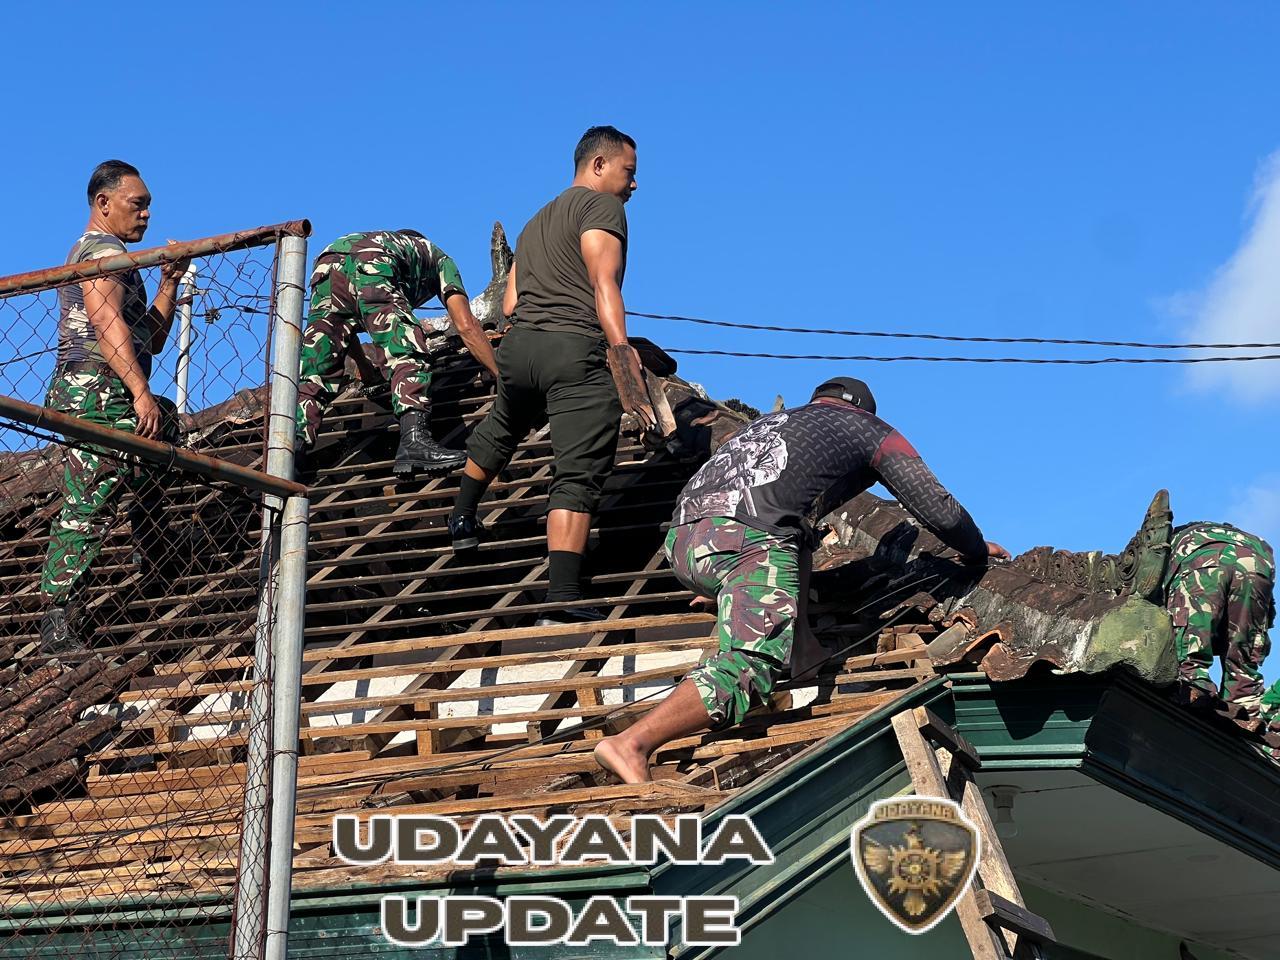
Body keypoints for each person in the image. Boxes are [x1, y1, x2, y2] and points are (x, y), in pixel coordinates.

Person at [593, 376, 1009, 783]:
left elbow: (793, 535)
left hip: (684, 543)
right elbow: (936, 506)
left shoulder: (769, 427)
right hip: (746, 539)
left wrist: (733, 590)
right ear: (862, 409)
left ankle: (801, 650)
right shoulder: (869, 429)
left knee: (799, 535)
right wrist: (974, 548)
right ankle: (634, 743)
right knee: (751, 663)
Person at [448, 126, 656, 625]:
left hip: (520, 349)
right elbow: (604, 283)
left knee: (503, 424)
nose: (634, 185)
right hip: (572, 348)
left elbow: (511, 302)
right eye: (629, 172)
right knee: (578, 469)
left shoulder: (534, 222)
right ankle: (561, 598)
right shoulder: (603, 209)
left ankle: (461, 515)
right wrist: (622, 355)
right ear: (599, 165)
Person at [39, 160, 189, 653]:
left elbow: (151, 337)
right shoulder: (101, 251)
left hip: (110, 387)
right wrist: (139, 391)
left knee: (165, 425)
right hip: (94, 389)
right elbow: (108, 327)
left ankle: (156, 545)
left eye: (148, 205)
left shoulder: (121, 257)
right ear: (104, 204)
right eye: (137, 203)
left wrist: (168, 281)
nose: (145, 214)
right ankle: (58, 615)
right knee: (93, 495)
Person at [294, 230, 499, 474]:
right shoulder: (439, 259)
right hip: (373, 262)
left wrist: (367, 370)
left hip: (327, 263)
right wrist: (501, 374)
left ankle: (292, 454)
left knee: (318, 364)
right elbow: (466, 325)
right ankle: (414, 440)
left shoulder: (381, 245)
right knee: (405, 345)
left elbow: (344, 329)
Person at [1163, 521, 1275, 718]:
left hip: (1203, 554)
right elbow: (1265, 618)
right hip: (1258, 563)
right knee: (1244, 655)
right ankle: (1245, 703)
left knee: (1191, 645)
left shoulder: (1172, 542)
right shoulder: (1243, 538)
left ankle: (1193, 682)